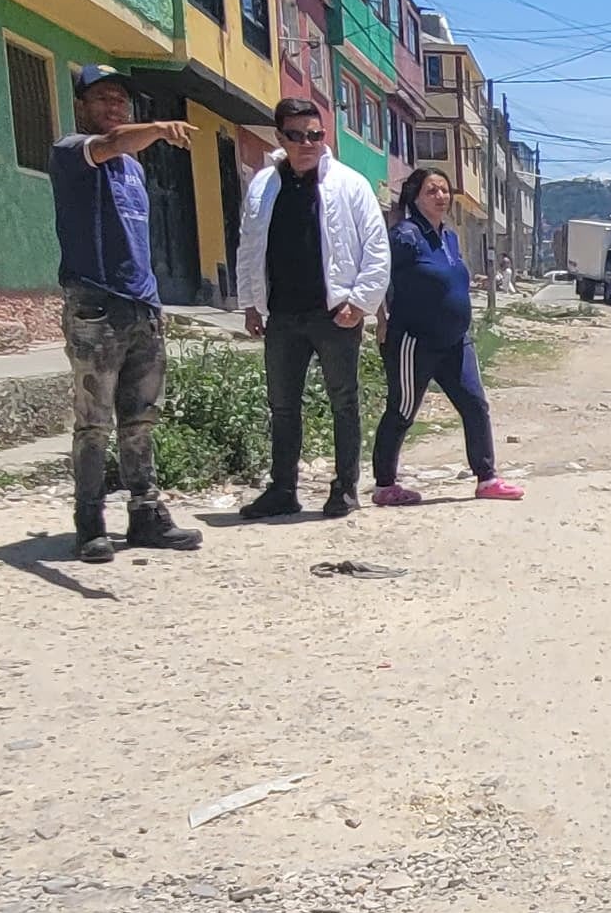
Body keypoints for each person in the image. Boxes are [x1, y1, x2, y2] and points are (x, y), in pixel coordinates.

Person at [48, 67, 202, 563]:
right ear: (82, 106)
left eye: (121, 100)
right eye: (103, 98)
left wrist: (154, 300)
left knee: (141, 419)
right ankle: (89, 521)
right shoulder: (73, 152)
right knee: (93, 421)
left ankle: (146, 514)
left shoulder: (134, 170)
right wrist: (159, 129)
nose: (115, 106)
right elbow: (112, 142)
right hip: (95, 304)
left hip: (140, 305)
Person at [233, 95, 390, 518]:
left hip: (335, 314)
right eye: (298, 136)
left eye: (316, 134)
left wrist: (360, 303)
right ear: (280, 137)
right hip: (282, 315)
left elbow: (376, 248)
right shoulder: (263, 186)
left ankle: (344, 488)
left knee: (344, 401)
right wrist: (249, 303)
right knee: (282, 405)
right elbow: (249, 248)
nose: (309, 143)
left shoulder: (349, 184)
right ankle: (283, 488)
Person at [370, 165, 519, 505]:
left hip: (455, 340)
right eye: (431, 191)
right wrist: (380, 319)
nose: (441, 196)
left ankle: (487, 479)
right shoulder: (405, 236)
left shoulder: (449, 236)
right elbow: (378, 277)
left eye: (444, 190)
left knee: (475, 403)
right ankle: (384, 485)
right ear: (415, 197)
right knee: (403, 410)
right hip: (414, 340)